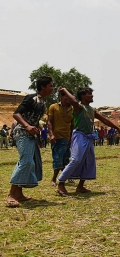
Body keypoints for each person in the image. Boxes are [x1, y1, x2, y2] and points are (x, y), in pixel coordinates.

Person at [56, 87, 120, 196]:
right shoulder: (79, 107)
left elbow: (104, 120)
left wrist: (117, 128)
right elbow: (74, 101)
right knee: (76, 159)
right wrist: (65, 90)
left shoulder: (92, 110)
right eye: (89, 94)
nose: (92, 95)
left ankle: (80, 186)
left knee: (88, 161)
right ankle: (61, 183)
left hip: (89, 137)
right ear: (82, 96)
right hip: (79, 135)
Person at [7, 76, 54, 207]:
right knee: (26, 161)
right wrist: (27, 126)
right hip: (22, 132)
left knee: (27, 161)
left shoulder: (43, 102)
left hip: (31, 135)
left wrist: (37, 135)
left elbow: (33, 120)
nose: (52, 88)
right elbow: (16, 114)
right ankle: (11, 194)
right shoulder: (31, 98)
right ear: (43, 87)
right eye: (50, 86)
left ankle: (19, 194)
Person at [47, 90, 74, 187]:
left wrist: (71, 138)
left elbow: (72, 125)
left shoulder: (73, 109)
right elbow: (49, 122)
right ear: (62, 97)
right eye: (67, 97)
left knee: (66, 159)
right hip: (56, 137)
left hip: (67, 138)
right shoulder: (53, 107)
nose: (69, 99)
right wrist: (51, 134)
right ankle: (54, 179)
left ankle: (66, 175)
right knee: (57, 159)